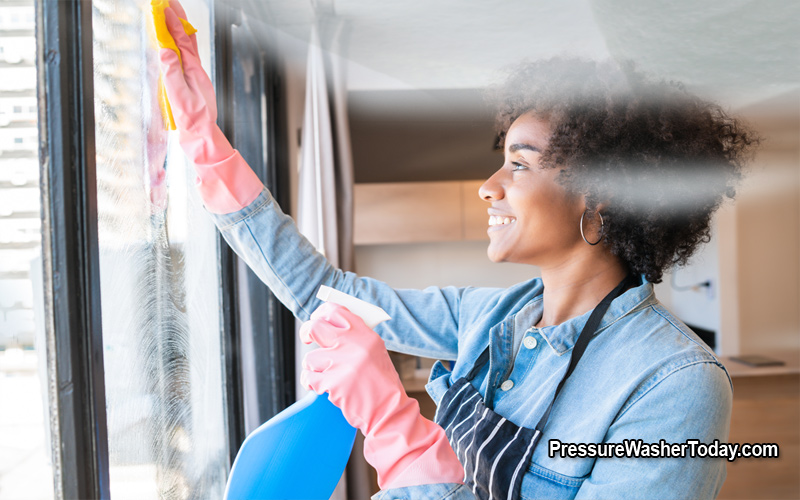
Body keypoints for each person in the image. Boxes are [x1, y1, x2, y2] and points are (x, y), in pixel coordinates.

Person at [157, 3, 758, 499]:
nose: (487, 186)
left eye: (519, 165)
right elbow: (322, 291)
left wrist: (394, 424)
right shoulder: (485, 318)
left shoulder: (675, 387)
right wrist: (205, 143)